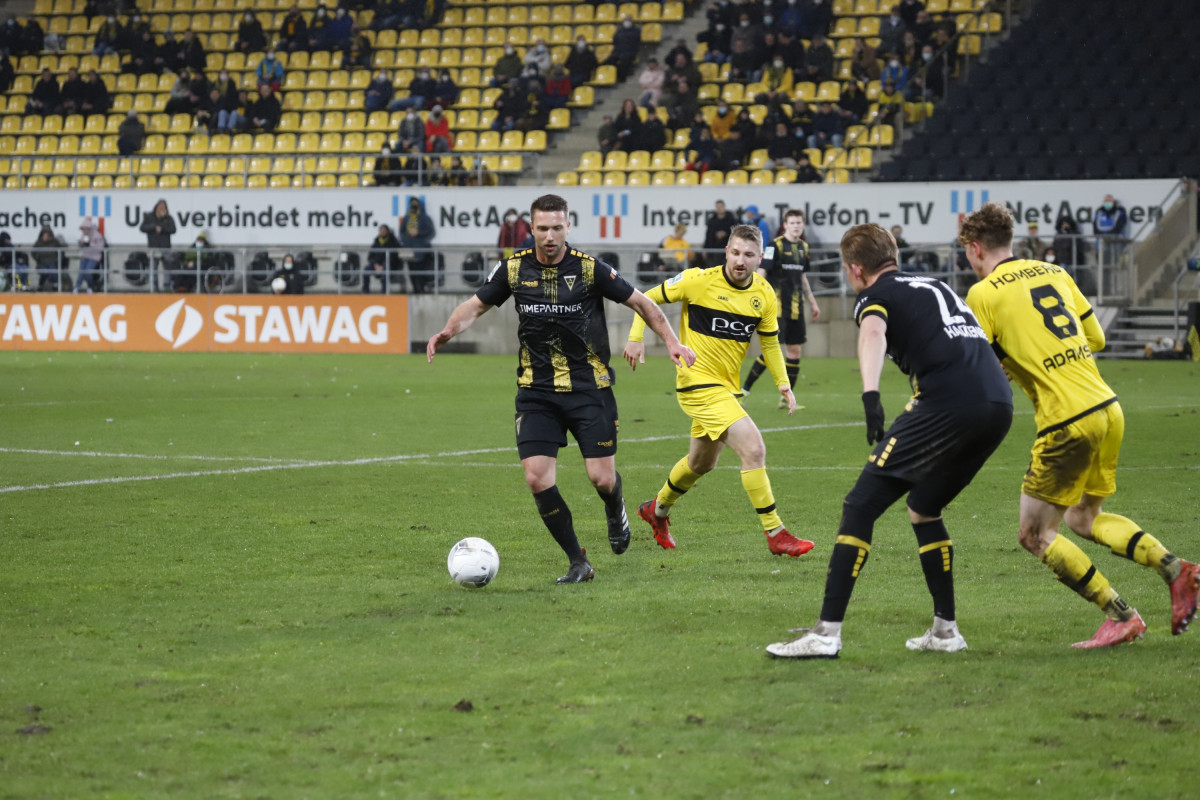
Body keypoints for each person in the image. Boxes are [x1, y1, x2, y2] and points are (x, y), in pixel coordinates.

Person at [765, 223, 1013, 659]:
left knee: (861, 505)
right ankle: (945, 632)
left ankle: (825, 633)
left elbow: (873, 333)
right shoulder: (935, 285)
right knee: (923, 508)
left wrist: (871, 395)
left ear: (856, 269)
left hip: (948, 402)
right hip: (997, 405)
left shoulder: (875, 295)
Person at [959, 201, 1200, 648]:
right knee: (1084, 517)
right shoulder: (1055, 272)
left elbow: (979, 368)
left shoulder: (983, 294)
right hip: (1107, 407)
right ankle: (1175, 568)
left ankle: (1121, 615)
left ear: (975, 248)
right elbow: (1097, 338)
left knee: (1035, 534)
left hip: (1066, 421)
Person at [427, 194, 696, 584]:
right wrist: (448, 331)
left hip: (590, 389)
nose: (550, 236)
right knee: (537, 477)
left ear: (568, 227)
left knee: (601, 479)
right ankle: (577, 562)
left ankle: (615, 505)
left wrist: (671, 342)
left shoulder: (589, 269)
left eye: (557, 228)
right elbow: (475, 305)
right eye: (542, 228)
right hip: (536, 391)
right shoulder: (514, 269)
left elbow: (642, 303)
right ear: (531, 228)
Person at [624, 224, 814, 558]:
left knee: (700, 463)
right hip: (696, 382)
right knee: (753, 448)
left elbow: (770, 343)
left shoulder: (764, 294)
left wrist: (782, 382)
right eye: (735, 252)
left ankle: (657, 509)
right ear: (726, 251)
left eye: (749, 255)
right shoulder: (698, 280)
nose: (740, 260)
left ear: (760, 257)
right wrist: (636, 337)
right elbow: (646, 297)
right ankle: (776, 533)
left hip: (726, 388)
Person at [742, 208, 821, 406]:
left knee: (794, 351)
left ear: (803, 225)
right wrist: (754, 297)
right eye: (792, 223)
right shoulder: (774, 245)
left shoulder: (804, 247)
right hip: (776, 307)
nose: (796, 226)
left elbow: (802, 277)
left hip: (796, 308)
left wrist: (812, 302)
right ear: (785, 225)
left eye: (799, 223)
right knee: (772, 349)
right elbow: (761, 272)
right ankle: (744, 391)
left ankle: (786, 400)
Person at [398, 197, 436, 293]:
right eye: (412, 204)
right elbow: (401, 232)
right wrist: (407, 238)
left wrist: (418, 233)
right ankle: (415, 289)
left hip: (421, 249)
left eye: (415, 204)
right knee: (411, 270)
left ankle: (421, 289)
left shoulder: (425, 218)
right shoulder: (407, 218)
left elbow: (430, 232)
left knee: (420, 270)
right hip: (409, 248)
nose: (414, 206)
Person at [140, 199, 176, 292]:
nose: (162, 209)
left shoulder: (169, 218)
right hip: (154, 247)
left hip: (165, 247)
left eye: (164, 207)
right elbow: (142, 228)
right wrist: (154, 227)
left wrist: (162, 228)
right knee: (153, 268)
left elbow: (173, 230)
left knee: (167, 267)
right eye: (160, 207)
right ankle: (154, 287)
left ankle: (167, 287)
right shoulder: (149, 217)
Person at [1093, 193, 1128, 266]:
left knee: (1114, 266)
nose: (1108, 203)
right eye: (1106, 201)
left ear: (1113, 202)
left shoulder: (1120, 214)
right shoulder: (1098, 213)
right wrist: (1102, 237)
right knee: (1101, 266)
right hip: (1101, 246)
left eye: (1109, 201)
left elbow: (1118, 228)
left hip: (1115, 245)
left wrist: (1108, 238)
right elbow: (1095, 228)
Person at [606, 13, 641, 81]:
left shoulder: (636, 30)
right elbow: (615, 40)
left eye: (628, 20)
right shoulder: (619, 30)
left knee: (625, 60)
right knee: (609, 60)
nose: (627, 22)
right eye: (625, 20)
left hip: (629, 51)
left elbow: (634, 42)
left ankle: (622, 77)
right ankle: (612, 76)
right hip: (618, 51)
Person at [75, 216, 105, 293]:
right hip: (85, 256)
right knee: (81, 272)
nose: (84, 230)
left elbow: (100, 248)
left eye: (85, 229)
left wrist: (89, 245)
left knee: (88, 272)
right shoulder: (83, 235)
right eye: (83, 229)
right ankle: (77, 287)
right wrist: (81, 245)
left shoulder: (97, 235)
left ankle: (90, 286)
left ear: (89, 228)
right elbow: (81, 246)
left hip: (94, 257)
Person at [32, 225, 67, 291]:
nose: (46, 236)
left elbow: (61, 252)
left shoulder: (55, 242)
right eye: (44, 235)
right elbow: (33, 253)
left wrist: (57, 260)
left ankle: (55, 286)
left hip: (52, 263)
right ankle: (41, 285)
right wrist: (38, 259)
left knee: (53, 272)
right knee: (44, 272)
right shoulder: (39, 243)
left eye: (47, 235)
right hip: (42, 263)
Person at [703, 199, 737, 266]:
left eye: (720, 207)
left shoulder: (731, 220)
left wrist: (725, 234)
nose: (719, 209)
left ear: (724, 207)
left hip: (728, 248)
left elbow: (735, 233)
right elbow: (708, 235)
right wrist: (705, 249)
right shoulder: (712, 220)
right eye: (717, 207)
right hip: (714, 249)